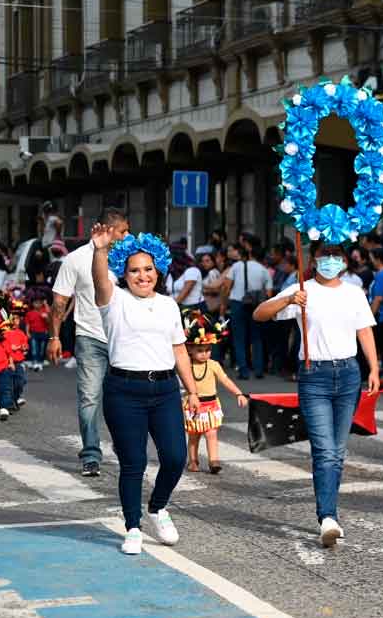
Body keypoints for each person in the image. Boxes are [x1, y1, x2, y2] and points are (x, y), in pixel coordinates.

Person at [254, 242, 381, 547]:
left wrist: (374, 369)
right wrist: (287, 302)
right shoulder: (301, 289)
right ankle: (327, 516)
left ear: (345, 261)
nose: (331, 262)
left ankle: (330, 512)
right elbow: (260, 314)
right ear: (313, 260)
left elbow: (364, 330)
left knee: (337, 452)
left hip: (348, 373)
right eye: (325, 257)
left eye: (336, 257)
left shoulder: (353, 291)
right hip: (314, 376)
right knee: (324, 450)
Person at [88, 224, 203, 556]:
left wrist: (192, 391)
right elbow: (100, 281)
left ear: (159, 270)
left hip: (165, 389)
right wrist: (99, 251)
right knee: (133, 462)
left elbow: (179, 349)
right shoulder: (115, 300)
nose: (142, 276)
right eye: (134, 270)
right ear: (123, 273)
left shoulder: (168, 305)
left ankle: (158, 507)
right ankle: (133, 527)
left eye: (148, 269)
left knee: (175, 457)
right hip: (124, 390)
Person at [180, 310, 247, 474]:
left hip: (211, 405)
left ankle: (213, 461)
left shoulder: (214, 365)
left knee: (211, 433)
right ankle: (193, 461)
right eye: (200, 350)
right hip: (193, 405)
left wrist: (239, 393)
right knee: (194, 435)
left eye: (208, 350)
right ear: (189, 350)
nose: (204, 354)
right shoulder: (185, 366)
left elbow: (225, 380)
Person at [222, 242, 273, 380]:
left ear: (249, 254)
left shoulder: (237, 266)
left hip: (238, 303)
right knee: (256, 337)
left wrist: (223, 305)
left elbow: (226, 287)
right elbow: (269, 293)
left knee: (239, 338)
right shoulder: (264, 270)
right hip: (256, 305)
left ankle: (243, 370)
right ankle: (258, 369)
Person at [25, 296, 50, 371]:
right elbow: (27, 324)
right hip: (33, 333)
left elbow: (49, 321)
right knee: (34, 349)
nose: (38, 304)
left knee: (42, 349)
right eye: (36, 303)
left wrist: (46, 317)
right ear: (32, 304)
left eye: (39, 303)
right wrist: (27, 332)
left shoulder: (44, 311)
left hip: (43, 333)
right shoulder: (29, 313)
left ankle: (40, 362)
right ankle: (35, 362)